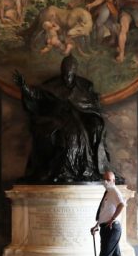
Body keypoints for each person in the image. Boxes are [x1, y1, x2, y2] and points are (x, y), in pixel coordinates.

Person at [13, 55, 113, 183]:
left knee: (84, 131)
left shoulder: (84, 86)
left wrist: (95, 118)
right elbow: (37, 95)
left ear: (74, 72)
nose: (67, 78)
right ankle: (63, 171)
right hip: (56, 117)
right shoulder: (52, 85)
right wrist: (24, 87)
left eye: (69, 74)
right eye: (65, 74)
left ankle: (80, 169)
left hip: (78, 117)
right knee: (70, 135)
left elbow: (92, 105)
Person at [90, 171, 126, 256]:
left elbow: (122, 205)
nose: (106, 182)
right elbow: (105, 212)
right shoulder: (108, 192)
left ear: (113, 180)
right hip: (106, 228)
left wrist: (112, 219)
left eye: (108, 179)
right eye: (104, 179)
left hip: (112, 228)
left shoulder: (114, 191)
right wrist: (97, 225)